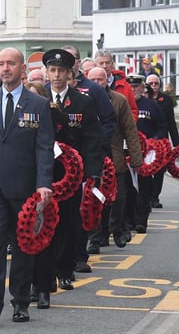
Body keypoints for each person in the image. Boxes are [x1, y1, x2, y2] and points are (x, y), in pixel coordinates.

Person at [0, 47, 55, 327]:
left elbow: (44, 149)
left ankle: (20, 301)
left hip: (25, 187)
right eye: (1, 64)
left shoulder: (38, 104)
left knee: (22, 246)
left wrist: (43, 184)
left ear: (22, 69)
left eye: (11, 64)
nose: (5, 69)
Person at [37, 49, 103, 304]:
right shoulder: (39, 99)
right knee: (45, 223)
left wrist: (92, 172)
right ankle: (47, 272)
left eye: (61, 71)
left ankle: (65, 270)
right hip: (46, 173)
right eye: (52, 71)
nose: (56, 75)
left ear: (69, 74)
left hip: (72, 174)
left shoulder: (82, 102)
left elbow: (92, 140)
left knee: (68, 223)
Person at [88, 67, 143, 249]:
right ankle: (97, 236)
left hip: (115, 156)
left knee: (119, 197)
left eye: (100, 80)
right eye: (93, 80)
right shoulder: (82, 100)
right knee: (95, 198)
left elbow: (130, 130)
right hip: (92, 157)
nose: (97, 83)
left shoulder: (119, 100)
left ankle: (117, 230)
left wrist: (136, 159)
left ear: (107, 80)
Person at [126, 74, 167, 233]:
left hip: (146, 154)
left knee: (144, 188)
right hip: (126, 151)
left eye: (136, 86)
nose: (134, 89)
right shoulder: (123, 104)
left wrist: (155, 141)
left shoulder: (151, 105)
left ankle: (141, 220)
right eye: (131, 87)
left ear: (142, 88)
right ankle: (128, 220)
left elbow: (162, 126)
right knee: (128, 188)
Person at [145, 74, 179, 209]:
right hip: (146, 141)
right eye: (151, 84)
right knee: (147, 169)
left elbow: (171, 123)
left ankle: (155, 197)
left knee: (160, 170)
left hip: (161, 141)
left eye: (156, 83)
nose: (154, 86)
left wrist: (177, 144)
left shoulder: (166, 99)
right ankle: (147, 196)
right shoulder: (143, 99)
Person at [95, 50, 138, 119]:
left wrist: (128, 126)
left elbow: (133, 110)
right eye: (101, 63)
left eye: (107, 63)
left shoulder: (125, 86)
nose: (105, 66)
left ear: (112, 64)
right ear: (95, 64)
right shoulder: (89, 85)